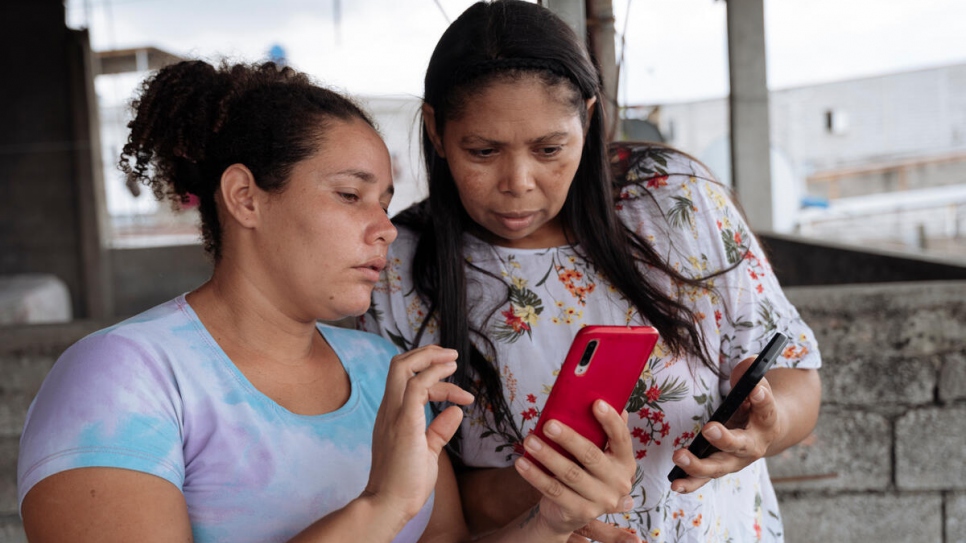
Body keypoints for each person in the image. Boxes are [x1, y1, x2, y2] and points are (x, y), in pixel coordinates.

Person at [16, 59, 639, 543]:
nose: (385, 228)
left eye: (385, 200)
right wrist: (381, 507)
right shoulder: (123, 377)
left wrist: (549, 523)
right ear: (245, 197)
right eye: (350, 195)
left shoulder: (379, 368)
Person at [359, 1, 823, 542]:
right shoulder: (400, 272)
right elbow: (435, 509)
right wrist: (553, 491)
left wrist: (769, 427)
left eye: (550, 148)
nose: (519, 181)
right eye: (483, 151)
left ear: (587, 116)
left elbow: (794, 372)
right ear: (436, 130)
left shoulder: (676, 201)